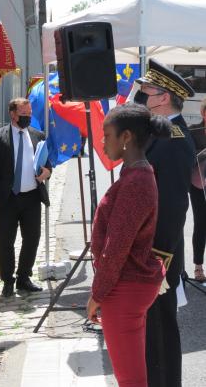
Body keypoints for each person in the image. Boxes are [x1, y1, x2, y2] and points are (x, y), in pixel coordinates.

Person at [87, 103, 168, 387]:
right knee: (131, 375)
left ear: (126, 138)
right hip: (127, 284)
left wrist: (97, 294)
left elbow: (117, 247)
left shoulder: (136, 181)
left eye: (106, 135)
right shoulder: (136, 174)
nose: (102, 142)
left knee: (130, 380)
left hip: (124, 287)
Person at [133, 59, 196, 387]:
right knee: (154, 330)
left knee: (159, 330)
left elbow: (173, 208)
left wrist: (156, 259)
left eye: (145, 91)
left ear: (162, 98)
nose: (141, 96)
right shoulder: (161, 134)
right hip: (152, 251)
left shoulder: (172, 141)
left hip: (158, 254)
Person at [0, 97, 51, 297]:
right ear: (12, 114)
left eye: (29, 114)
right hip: (7, 198)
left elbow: (47, 164)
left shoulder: (38, 136)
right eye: (23, 115)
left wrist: (47, 172)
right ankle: (8, 281)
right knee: (6, 241)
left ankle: (23, 277)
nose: (27, 118)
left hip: (31, 198)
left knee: (32, 239)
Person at [188, 98, 206, 281]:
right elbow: (188, 156)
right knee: (201, 223)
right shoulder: (193, 130)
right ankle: (198, 266)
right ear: (203, 113)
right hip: (198, 183)